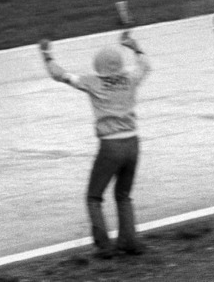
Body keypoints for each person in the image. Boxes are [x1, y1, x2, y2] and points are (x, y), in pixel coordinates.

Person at [39, 31, 151, 258]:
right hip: (133, 143)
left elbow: (61, 75)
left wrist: (47, 55)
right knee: (123, 195)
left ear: (98, 65)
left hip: (110, 147)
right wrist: (134, 46)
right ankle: (129, 242)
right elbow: (145, 66)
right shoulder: (130, 79)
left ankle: (104, 246)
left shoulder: (92, 82)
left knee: (94, 197)